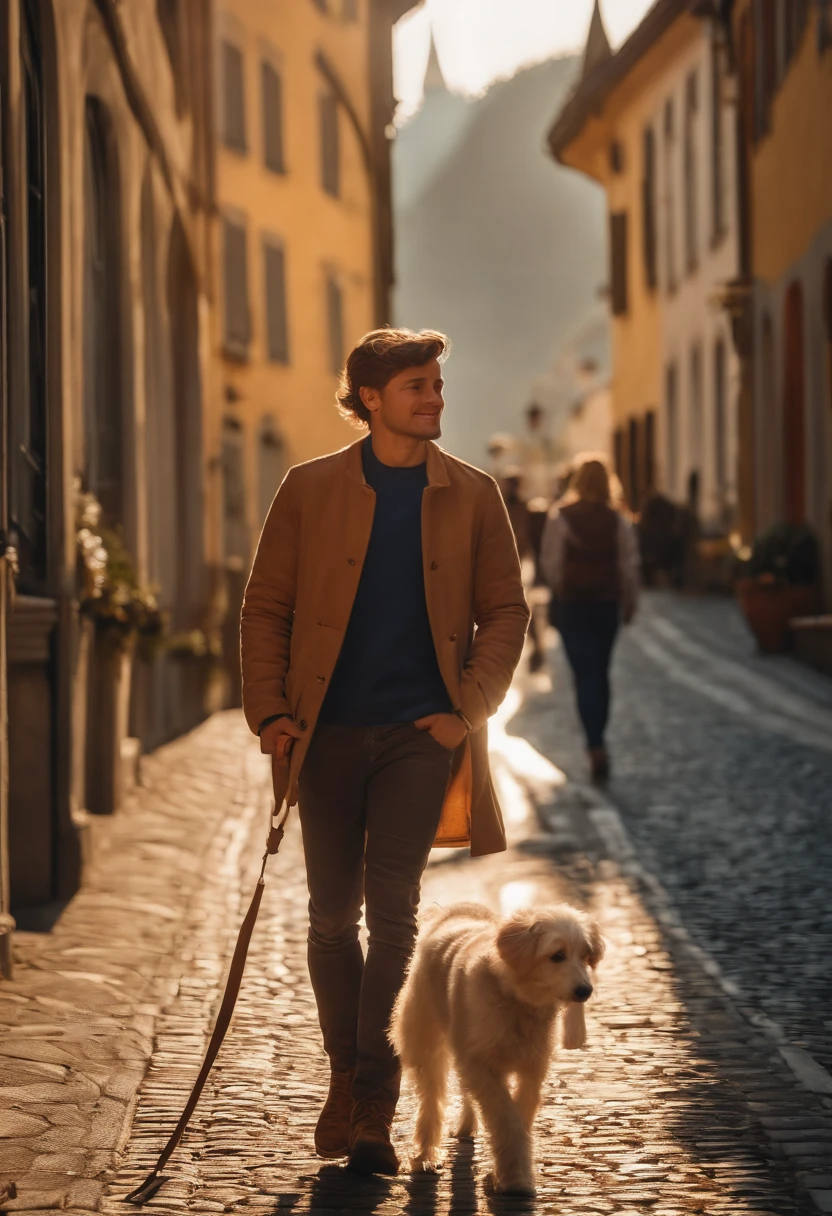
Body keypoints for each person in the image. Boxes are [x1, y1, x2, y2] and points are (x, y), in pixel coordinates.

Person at [241, 328, 529, 1177]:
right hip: (322, 733)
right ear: (370, 398)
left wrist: (465, 709)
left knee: (394, 912)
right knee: (331, 918)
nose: (434, 397)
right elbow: (266, 607)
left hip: (418, 738)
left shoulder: (473, 494)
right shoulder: (308, 489)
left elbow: (506, 611)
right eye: (416, 385)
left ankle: (374, 1090)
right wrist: (270, 712)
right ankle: (343, 1072)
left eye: (438, 383)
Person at [539, 457, 639, 783]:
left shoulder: (560, 517)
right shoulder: (617, 521)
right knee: (600, 671)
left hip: (572, 605)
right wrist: (629, 603)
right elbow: (628, 565)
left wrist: (556, 595)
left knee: (584, 674)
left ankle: (594, 744)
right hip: (605, 604)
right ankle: (598, 742)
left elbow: (551, 563)